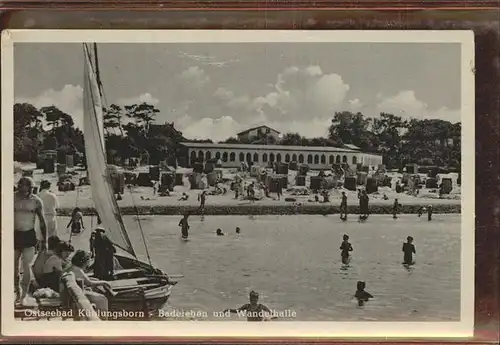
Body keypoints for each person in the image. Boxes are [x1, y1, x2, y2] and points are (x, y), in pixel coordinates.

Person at [14, 177, 47, 305]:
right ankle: (17, 292)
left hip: (29, 235)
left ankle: (23, 295)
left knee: (27, 266)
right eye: (22, 186)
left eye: (28, 188)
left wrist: (45, 240)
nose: (25, 190)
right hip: (14, 234)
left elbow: (43, 222)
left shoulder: (36, 201)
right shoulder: (12, 198)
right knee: (13, 267)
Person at [67, 250, 111, 317]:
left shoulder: (72, 267)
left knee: (94, 289)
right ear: (84, 261)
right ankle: (103, 318)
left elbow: (84, 279)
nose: (89, 262)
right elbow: (89, 283)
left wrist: (96, 280)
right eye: (88, 260)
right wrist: (103, 282)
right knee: (103, 299)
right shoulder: (78, 270)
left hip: (72, 291)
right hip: (76, 295)